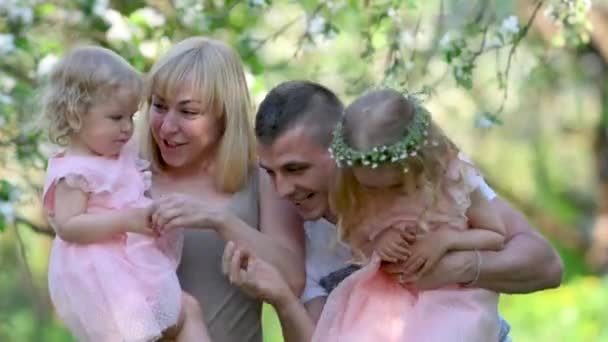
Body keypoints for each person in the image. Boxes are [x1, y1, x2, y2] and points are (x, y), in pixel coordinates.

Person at [224, 80, 563, 342]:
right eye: (270, 173)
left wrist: (460, 265)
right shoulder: (295, 233)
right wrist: (283, 299)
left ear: (342, 151)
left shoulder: (422, 178)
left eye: (296, 169)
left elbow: (545, 264)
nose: (282, 190)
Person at [138, 37, 305, 342]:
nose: (167, 127)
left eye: (188, 112)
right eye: (159, 106)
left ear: (224, 116)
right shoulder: (130, 176)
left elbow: (292, 281)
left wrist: (220, 221)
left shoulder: (262, 180)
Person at [40, 46, 209, 342]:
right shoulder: (75, 172)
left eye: (131, 117)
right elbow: (68, 226)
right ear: (74, 115)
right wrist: (127, 220)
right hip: (103, 278)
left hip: (132, 269)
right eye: (116, 117)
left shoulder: (117, 155)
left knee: (188, 309)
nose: (127, 129)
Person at [312, 88, 506, 341]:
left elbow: (496, 235)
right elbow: (356, 240)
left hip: (452, 296)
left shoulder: (453, 180)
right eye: (371, 187)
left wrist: (445, 240)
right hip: (388, 299)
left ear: (421, 159)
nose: (384, 195)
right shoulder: (355, 191)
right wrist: (379, 244)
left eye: (397, 187)